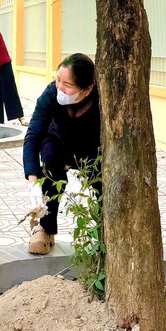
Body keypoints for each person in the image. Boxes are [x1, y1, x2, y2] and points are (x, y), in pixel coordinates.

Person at [22, 53, 100, 255]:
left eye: (67, 84)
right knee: (49, 161)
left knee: (100, 175)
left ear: (87, 89)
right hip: (58, 140)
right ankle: (46, 228)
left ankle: (104, 228)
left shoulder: (103, 99)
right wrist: (33, 183)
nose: (59, 87)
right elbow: (33, 135)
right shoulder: (51, 94)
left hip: (91, 146)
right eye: (58, 79)